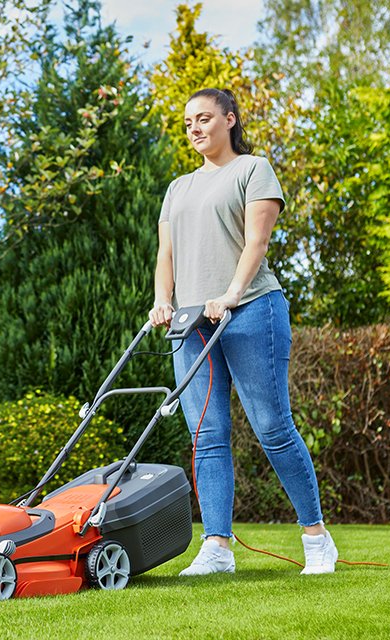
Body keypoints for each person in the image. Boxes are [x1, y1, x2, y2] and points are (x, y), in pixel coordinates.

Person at [148, 88, 338, 576]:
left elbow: (257, 240)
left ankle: (316, 538)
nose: (194, 127)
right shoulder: (178, 188)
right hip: (191, 324)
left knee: (273, 428)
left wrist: (231, 292)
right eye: (188, 121)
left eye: (205, 118)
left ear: (229, 120)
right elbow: (166, 255)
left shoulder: (253, 170)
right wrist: (162, 300)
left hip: (251, 310)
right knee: (206, 436)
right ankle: (217, 548)